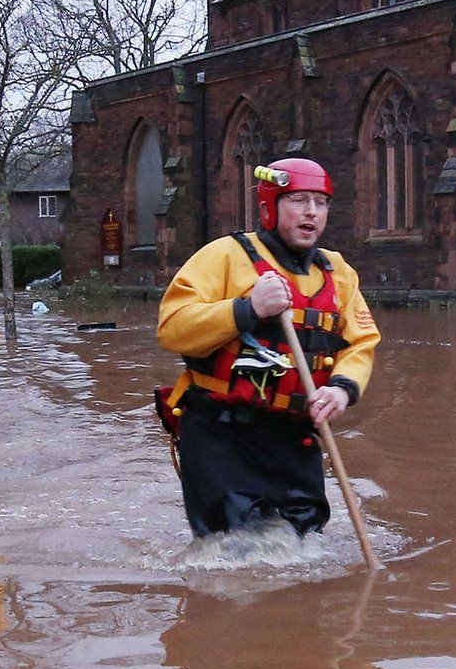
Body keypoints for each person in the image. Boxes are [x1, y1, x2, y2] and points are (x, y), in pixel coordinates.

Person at [157, 158, 380, 540]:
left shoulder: (339, 273)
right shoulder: (225, 256)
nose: (311, 211)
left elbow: (361, 342)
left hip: (294, 435)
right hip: (222, 433)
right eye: (298, 200)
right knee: (234, 545)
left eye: (320, 202)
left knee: (304, 538)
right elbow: (172, 328)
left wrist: (342, 388)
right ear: (268, 207)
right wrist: (247, 309)